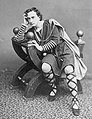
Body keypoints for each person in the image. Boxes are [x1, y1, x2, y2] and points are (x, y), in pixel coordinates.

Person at [15, 7, 87, 116]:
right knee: (45, 67)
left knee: (68, 69)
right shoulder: (31, 31)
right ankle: (54, 87)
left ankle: (75, 101)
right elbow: (18, 39)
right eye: (28, 18)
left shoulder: (50, 24)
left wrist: (40, 48)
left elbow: (55, 40)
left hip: (63, 50)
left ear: (39, 16)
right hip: (50, 54)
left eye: (33, 17)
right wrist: (24, 25)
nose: (31, 20)